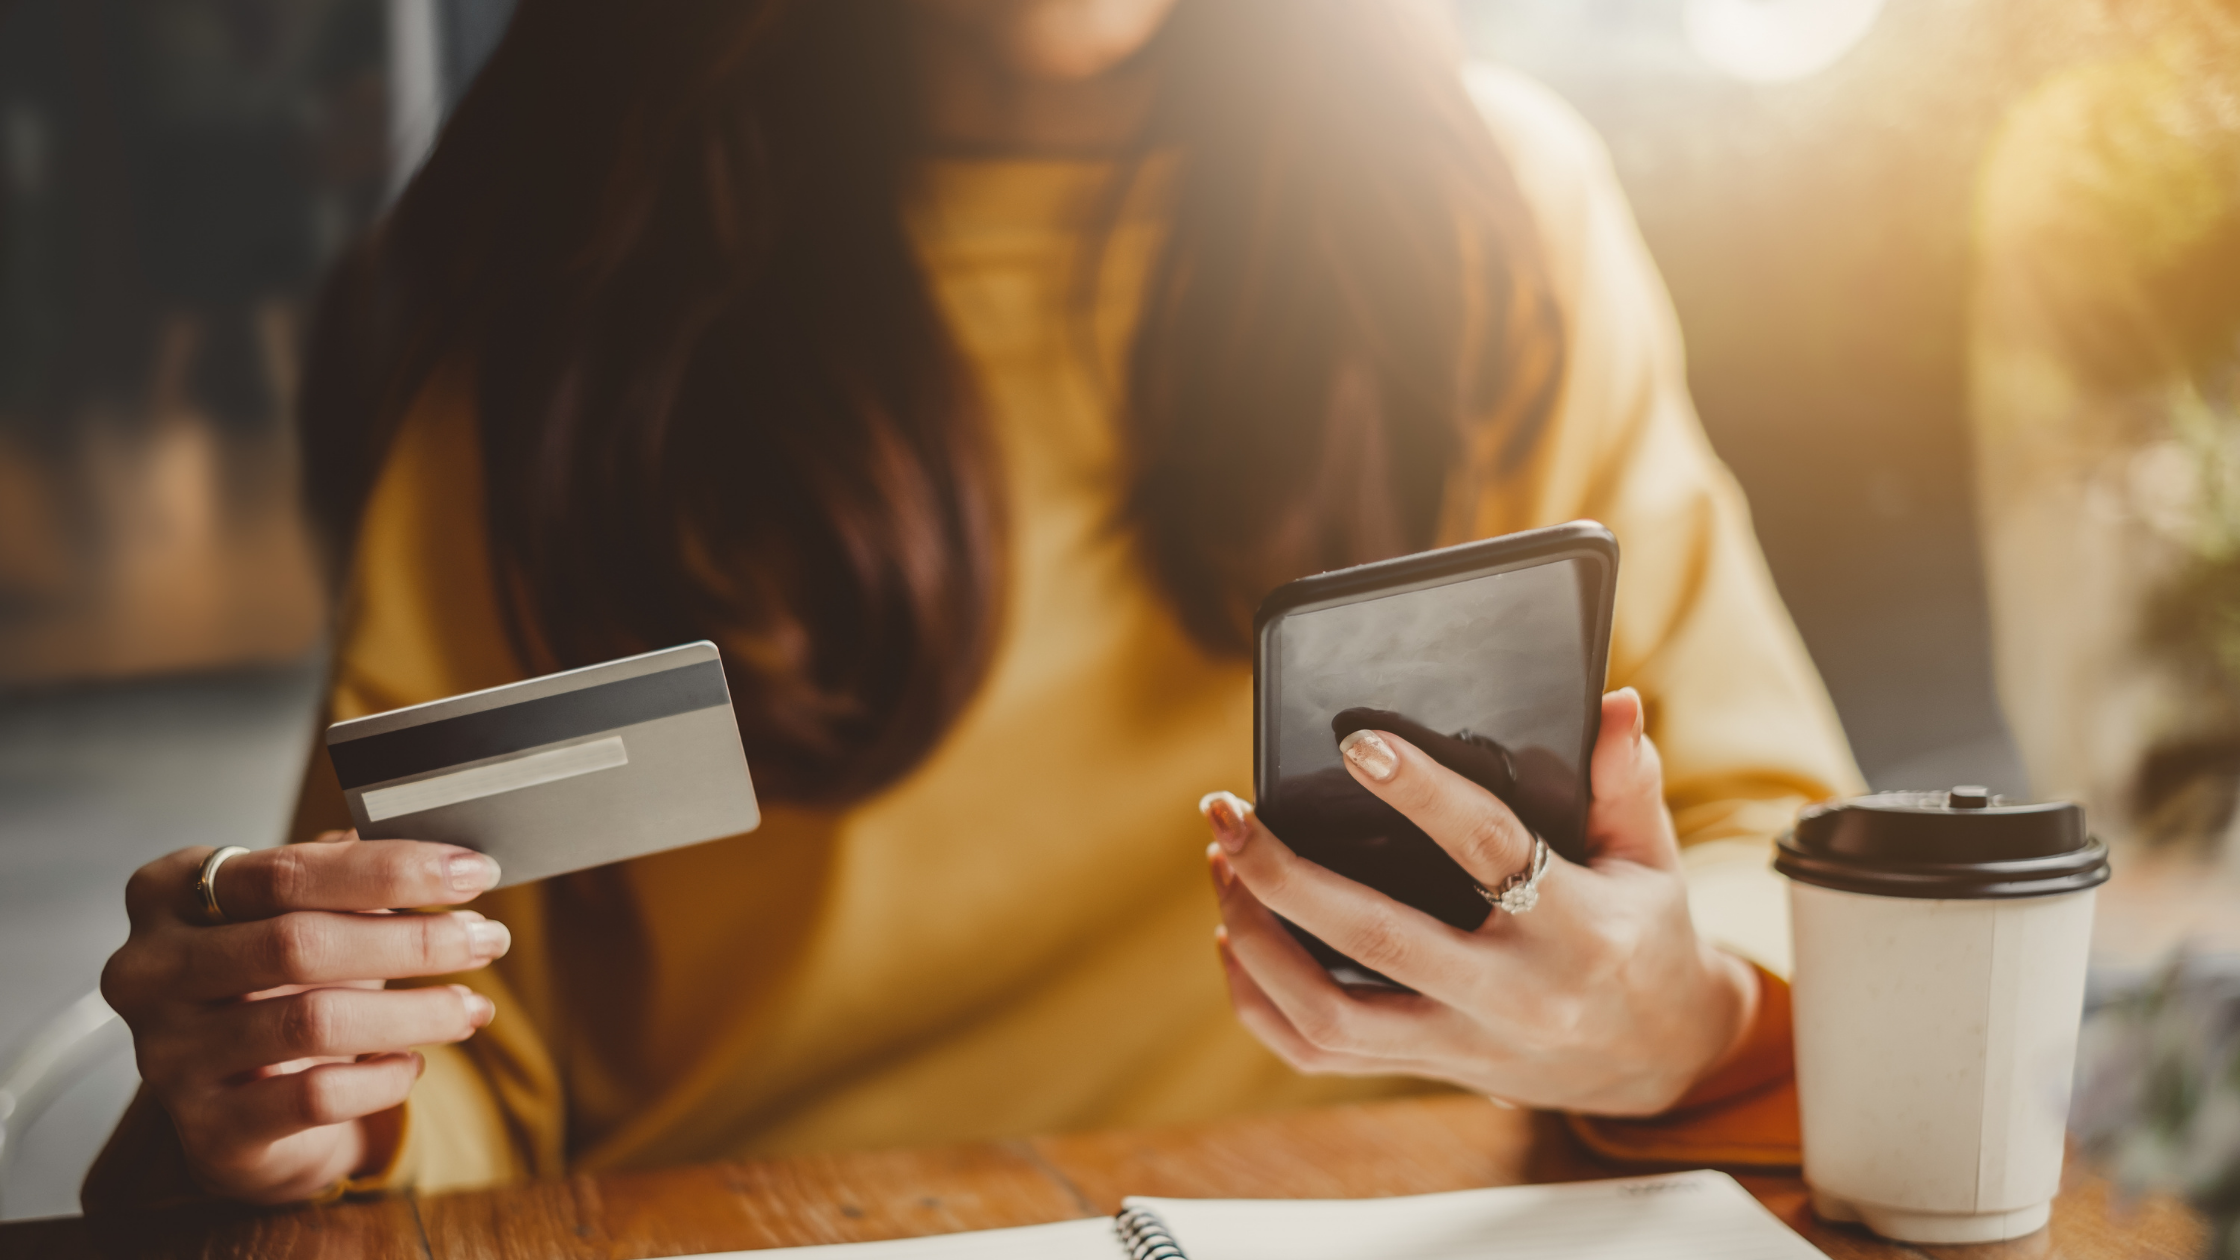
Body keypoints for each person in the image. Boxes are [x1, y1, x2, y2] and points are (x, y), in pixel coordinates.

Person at [89, 0, 1859, 1210]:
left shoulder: (1496, 222)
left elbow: (1767, 845)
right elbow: (459, 1052)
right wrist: (327, 1086)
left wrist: (1677, 1017)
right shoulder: (563, 311)